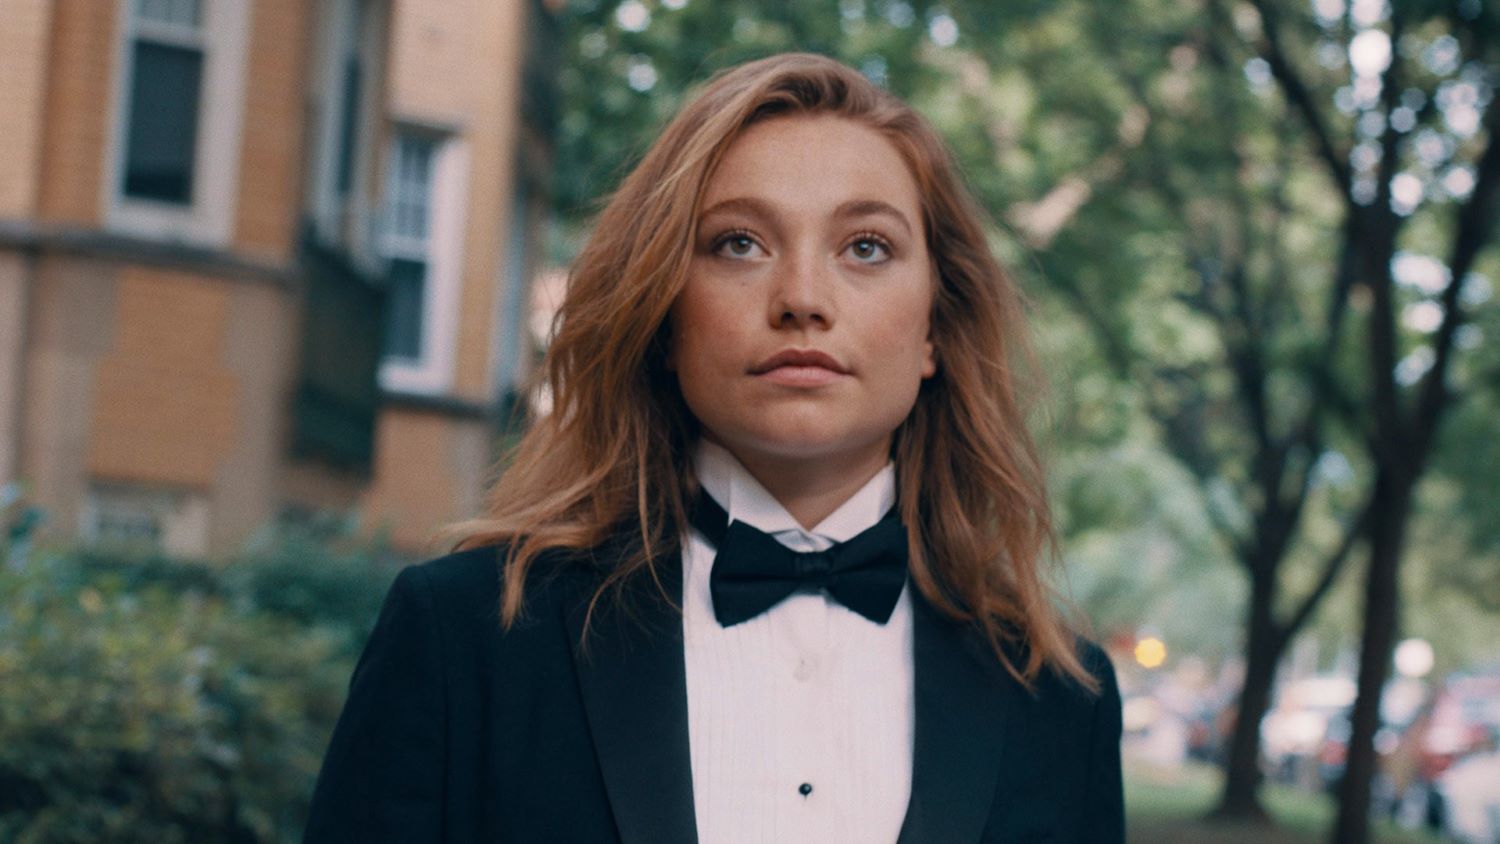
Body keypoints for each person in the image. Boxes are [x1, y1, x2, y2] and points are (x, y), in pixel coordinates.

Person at [304, 52, 1123, 843]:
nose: (802, 298)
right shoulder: (463, 637)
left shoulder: (1059, 698)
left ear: (935, 330)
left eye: (865, 247)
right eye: (739, 243)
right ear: (665, 314)